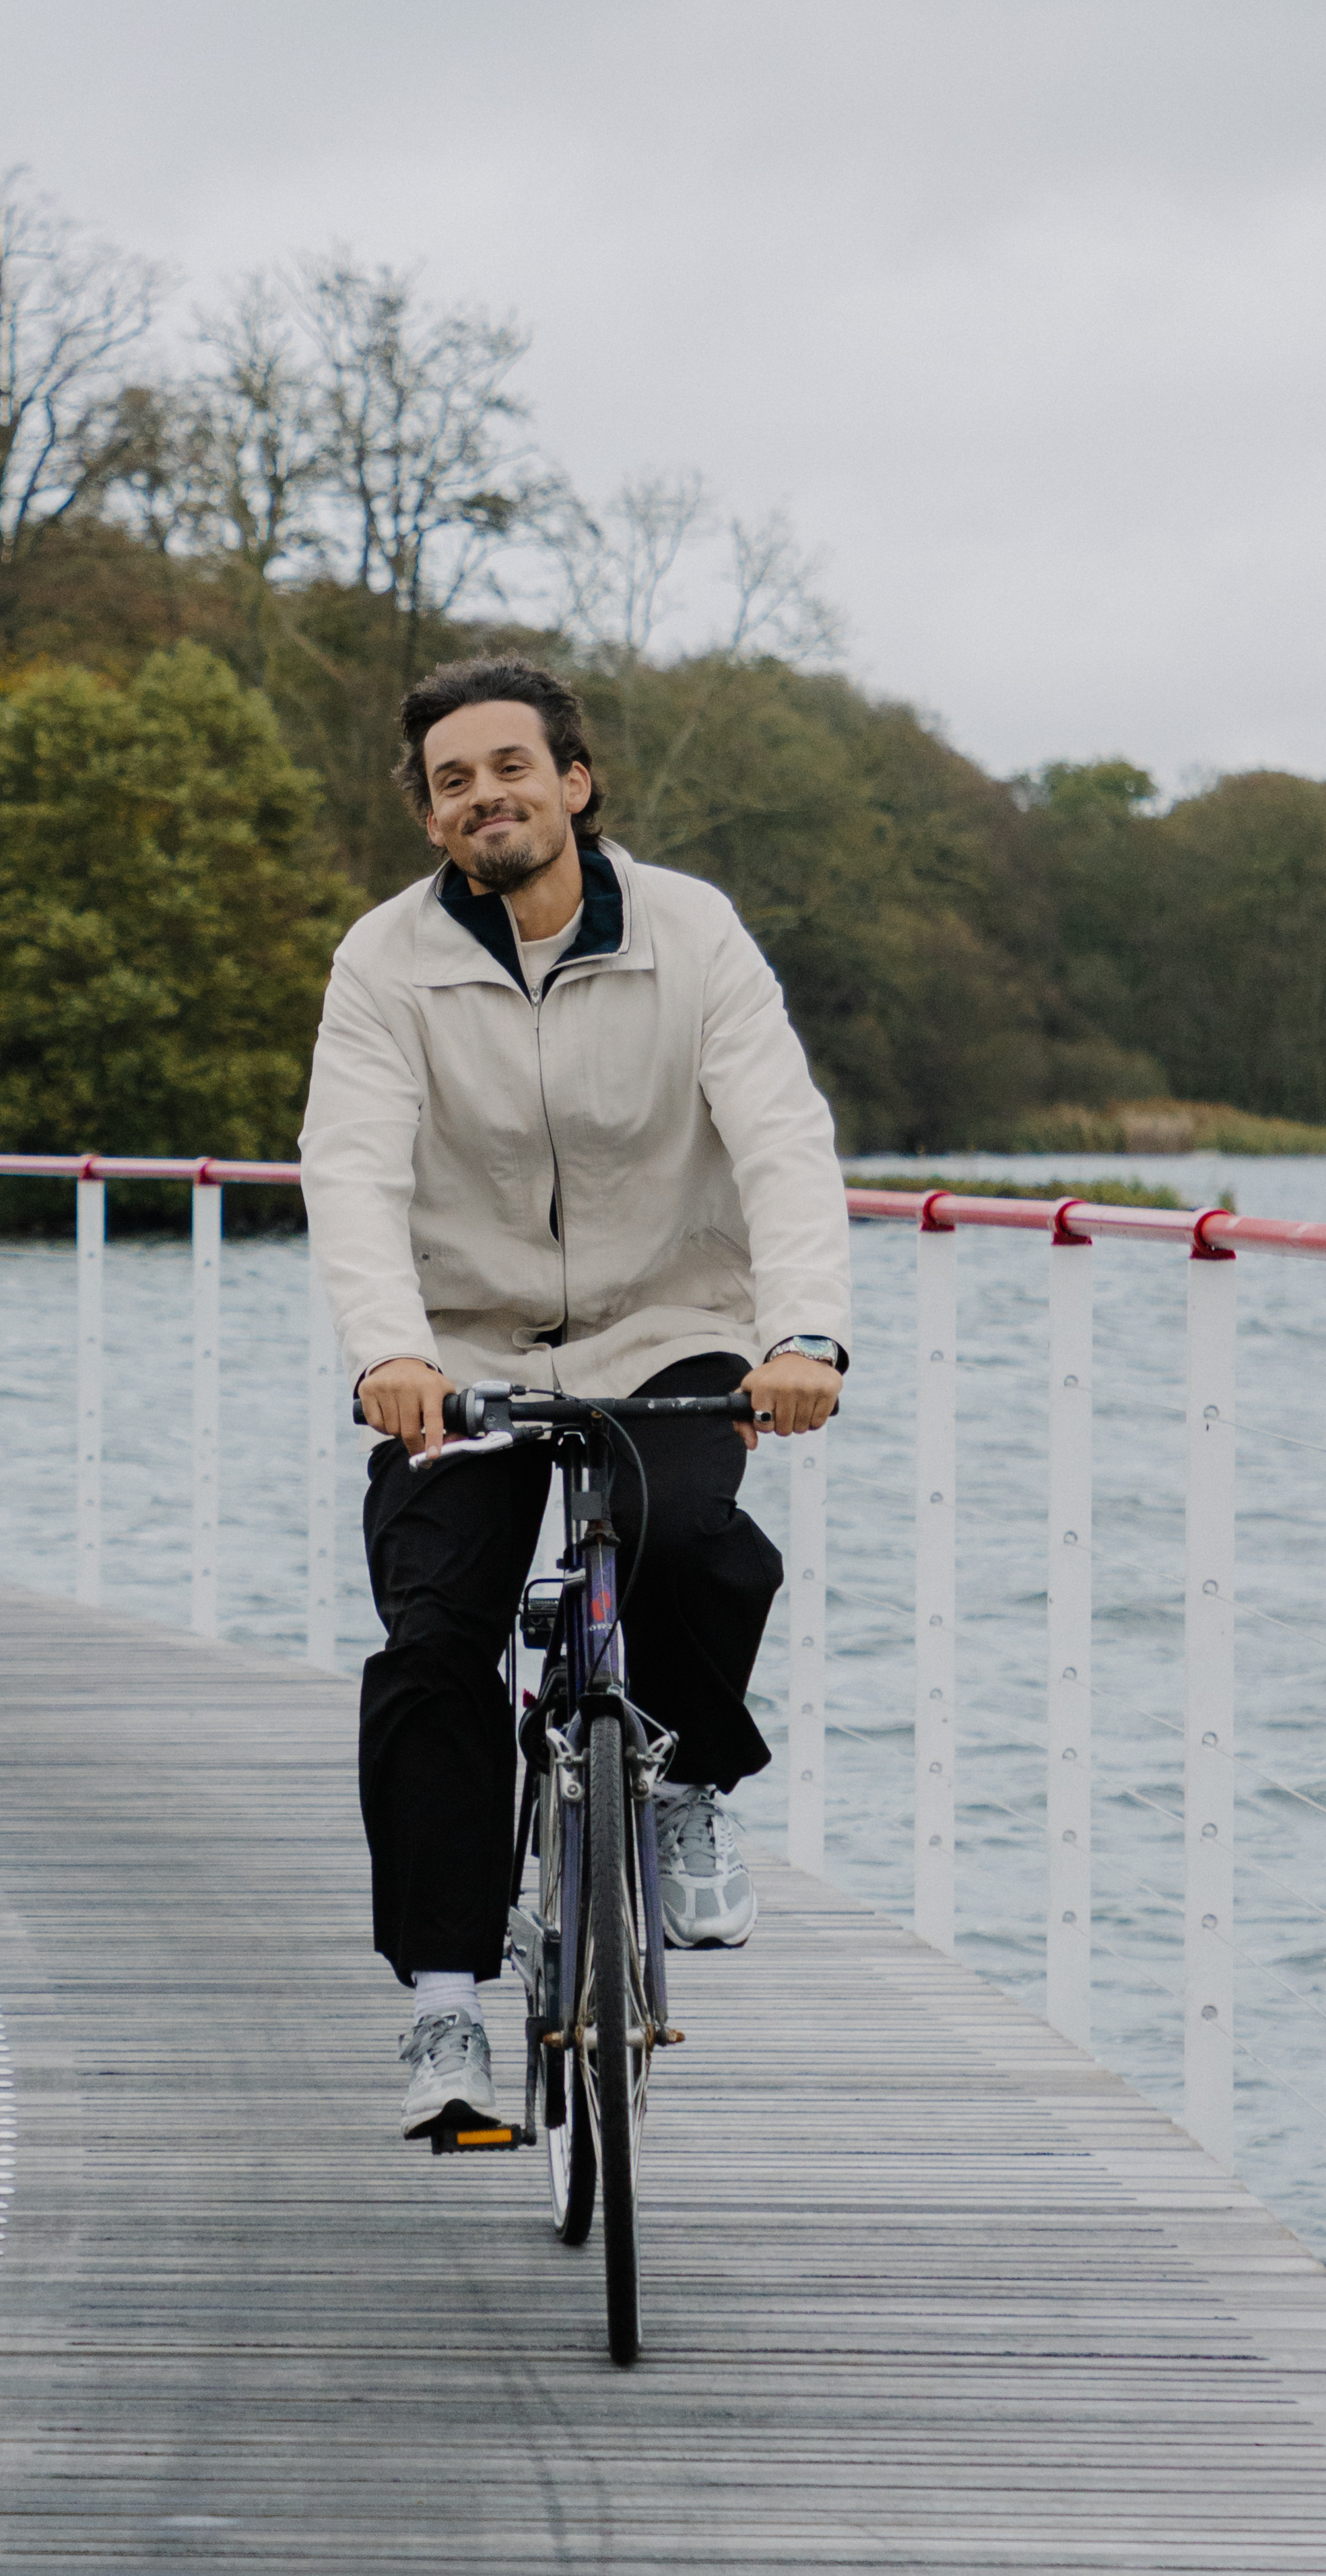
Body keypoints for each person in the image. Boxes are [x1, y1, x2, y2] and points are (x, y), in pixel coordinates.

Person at [298, 655, 851, 2139]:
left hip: (668, 1322)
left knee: (696, 1543)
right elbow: (348, 1167)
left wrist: (799, 1335)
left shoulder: (690, 933)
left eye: (510, 765)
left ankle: (683, 1782)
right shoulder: (383, 961)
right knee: (434, 1643)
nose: (486, 794)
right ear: (427, 813)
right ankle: (440, 2006)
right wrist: (385, 1348)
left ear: (573, 778)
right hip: (459, 1347)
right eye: (452, 778)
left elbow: (781, 1140)